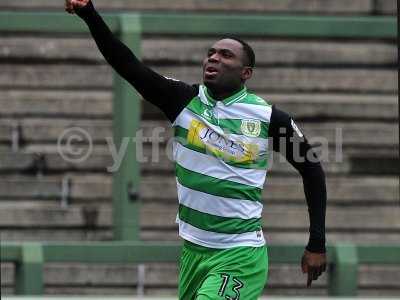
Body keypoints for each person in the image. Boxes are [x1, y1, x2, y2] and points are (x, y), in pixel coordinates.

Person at [65, 1, 327, 299]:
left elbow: (312, 169)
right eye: (210, 53)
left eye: (225, 55)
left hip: (240, 254)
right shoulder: (182, 100)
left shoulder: (268, 118)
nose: (213, 59)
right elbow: (127, 64)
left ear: (246, 73)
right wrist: (89, 14)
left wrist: (316, 241)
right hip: (193, 252)